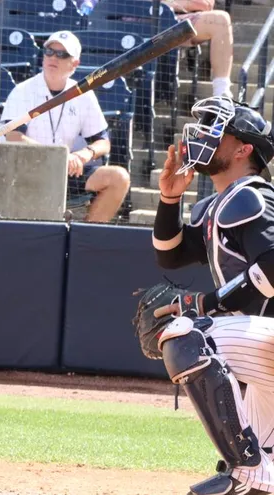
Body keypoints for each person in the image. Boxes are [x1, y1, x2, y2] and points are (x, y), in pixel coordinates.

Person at [149, 95, 274, 495]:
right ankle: (252, 473)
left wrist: (207, 304)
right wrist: (170, 198)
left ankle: (245, 468)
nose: (201, 135)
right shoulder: (217, 204)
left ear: (243, 148)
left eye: (215, 129)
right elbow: (170, 256)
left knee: (188, 334)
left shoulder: (251, 195)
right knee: (266, 482)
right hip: (263, 349)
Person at [0, 30, 130, 223]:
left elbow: (103, 142)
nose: (53, 57)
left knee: (119, 177)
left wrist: (83, 154)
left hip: (63, 173)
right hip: (25, 172)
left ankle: (85, 239)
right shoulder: (23, 91)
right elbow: (13, 137)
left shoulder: (83, 93)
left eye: (62, 54)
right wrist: (57, 156)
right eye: (49, 51)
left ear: (74, 64)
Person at [161, 0, 235, 98]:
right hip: (139, 16)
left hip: (177, 20)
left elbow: (205, 4)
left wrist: (169, 3)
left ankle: (221, 92)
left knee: (221, 19)